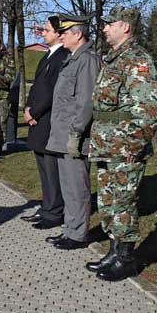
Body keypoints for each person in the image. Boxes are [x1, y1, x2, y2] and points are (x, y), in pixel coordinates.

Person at [86, 6, 157, 281]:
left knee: (124, 201)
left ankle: (127, 259)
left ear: (126, 27)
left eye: (110, 23)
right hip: (107, 145)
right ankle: (114, 252)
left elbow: (149, 110)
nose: (104, 28)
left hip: (124, 147)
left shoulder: (137, 60)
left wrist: (134, 145)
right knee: (108, 201)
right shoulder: (114, 59)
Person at [41, 15, 101, 250]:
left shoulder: (87, 60)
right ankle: (70, 229)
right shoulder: (73, 59)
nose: (61, 35)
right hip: (63, 134)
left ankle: (77, 234)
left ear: (78, 34)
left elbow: (85, 102)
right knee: (68, 186)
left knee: (77, 186)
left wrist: (76, 134)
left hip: (74, 136)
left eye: (65, 31)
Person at [20, 16, 70, 227]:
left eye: (47, 30)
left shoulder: (63, 57)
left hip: (48, 120)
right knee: (42, 167)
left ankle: (55, 211)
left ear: (59, 33)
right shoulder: (48, 56)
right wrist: (27, 108)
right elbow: (37, 86)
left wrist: (36, 112)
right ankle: (46, 206)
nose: (43, 33)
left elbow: (52, 91)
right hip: (37, 120)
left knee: (51, 169)